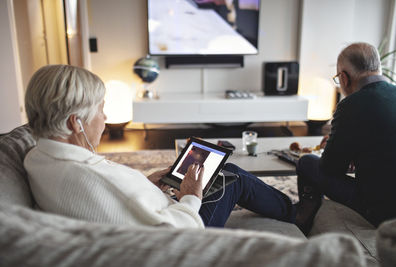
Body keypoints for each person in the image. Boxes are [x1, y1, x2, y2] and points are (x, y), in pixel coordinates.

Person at [24, 64, 296, 229]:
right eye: (101, 110)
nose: (105, 119)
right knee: (231, 177)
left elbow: (116, 203)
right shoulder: (90, 177)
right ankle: (296, 213)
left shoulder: (37, 156)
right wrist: (191, 196)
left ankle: (291, 209)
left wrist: (145, 185)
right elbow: (182, 235)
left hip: (156, 212)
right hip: (185, 242)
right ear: (76, 123)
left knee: (219, 174)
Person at [296, 42, 396, 234]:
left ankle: (304, 218)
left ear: (343, 78)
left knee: (307, 162)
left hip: (380, 211)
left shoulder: (350, 105)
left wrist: (342, 150)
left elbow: (329, 168)